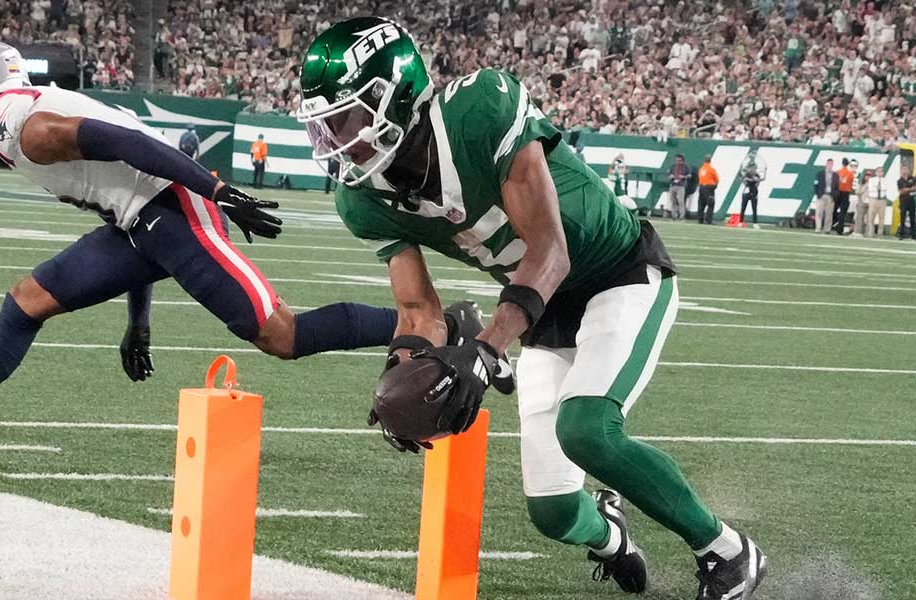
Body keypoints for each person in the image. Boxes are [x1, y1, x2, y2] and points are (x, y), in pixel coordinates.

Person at [297, 18, 765, 600]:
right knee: (553, 511)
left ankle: (727, 552)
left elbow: (549, 251)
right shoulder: (361, 198)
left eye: (344, 120)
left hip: (616, 273)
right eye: (324, 125)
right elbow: (418, 309)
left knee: (587, 428)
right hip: (541, 315)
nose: (335, 140)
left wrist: (487, 349)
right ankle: (612, 535)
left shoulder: (477, 110)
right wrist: (400, 371)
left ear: (392, 95)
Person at [0, 40, 433, 461]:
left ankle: (426, 327)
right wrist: (140, 321)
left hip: (176, 213)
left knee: (281, 335)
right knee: (26, 301)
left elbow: (123, 142)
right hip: (145, 223)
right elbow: (124, 197)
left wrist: (218, 190)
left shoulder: (17, 125)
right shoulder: (21, 114)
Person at [813, 159, 839, 232]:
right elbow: (815, 184)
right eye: (829, 163)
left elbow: (837, 187)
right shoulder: (820, 174)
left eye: (831, 164)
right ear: (826, 164)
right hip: (822, 195)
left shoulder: (835, 175)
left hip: (830, 196)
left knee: (829, 214)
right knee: (819, 212)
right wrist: (818, 194)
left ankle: (827, 229)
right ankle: (818, 228)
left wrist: (834, 196)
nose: (830, 165)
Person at [739, 151, 763, 225]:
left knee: (754, 208)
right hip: (746, 192)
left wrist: (753, 180)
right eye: (752, 167)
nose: (753, 169)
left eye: (754, 168)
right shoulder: (746, 174)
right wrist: (746, 179)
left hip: (753, 192)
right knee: (743, 208)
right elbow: (743, 180)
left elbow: (757, 183)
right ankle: (741, 222)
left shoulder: (757, 175)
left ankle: (755, 223)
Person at [864, 166, 889, 236]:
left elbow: (885, 188)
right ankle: (870, 232)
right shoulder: (871, 180)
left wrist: (879, 188)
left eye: (881, 171)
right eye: (879, 171)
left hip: (882, 200)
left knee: (882, 217)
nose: (880, 173)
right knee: (871, 216)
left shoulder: (885, 180)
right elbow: (870, 189)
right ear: (876, 172)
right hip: (873, 199)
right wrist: (878, 187)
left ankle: (880, 232)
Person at [897, 164, 916, 240]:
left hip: (911, 201)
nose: (904, 171)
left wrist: (906, 189)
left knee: (912, 218)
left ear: (908, 170)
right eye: (903, 169)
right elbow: (901, 191)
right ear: (901, 170)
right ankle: (902, 235)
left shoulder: (912, 178)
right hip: (903, 201)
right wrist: (910, 189)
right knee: (902, 218)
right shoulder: (900, 180)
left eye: (906, 169)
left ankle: (913, 235)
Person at [834, 158, 855, 234]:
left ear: (842, 163)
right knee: (843, 212)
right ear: (848, 164)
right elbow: (851, 183)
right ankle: (840, 229)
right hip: (845, 193)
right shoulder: (850, 174)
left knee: (834, 210)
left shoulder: (837, 172)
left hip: (837, 193)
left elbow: (834, 183)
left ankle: (832, 226)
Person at [667, 154, 689, 220]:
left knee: (681, 201)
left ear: (682, 161)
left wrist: (683, 176)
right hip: (673, 185)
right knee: (673, 201)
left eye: (679, 160)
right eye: (676, 160)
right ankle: (674, 216)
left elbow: (689, 176)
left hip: (681, 185)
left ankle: (682, 216)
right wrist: (671, 176)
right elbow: (669, 174)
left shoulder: (685, 167)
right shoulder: (673, 167)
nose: (677, 162)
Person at [697, 155, 718, 224]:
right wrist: (714, 185)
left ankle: (700, 219)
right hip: (709, 188)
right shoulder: (711, 169)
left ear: (704, 160)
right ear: (710, 160)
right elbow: (717, 179)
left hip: (701, 187)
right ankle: (708, 220)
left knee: (701, 204)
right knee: (711, 204)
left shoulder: (701, 169)